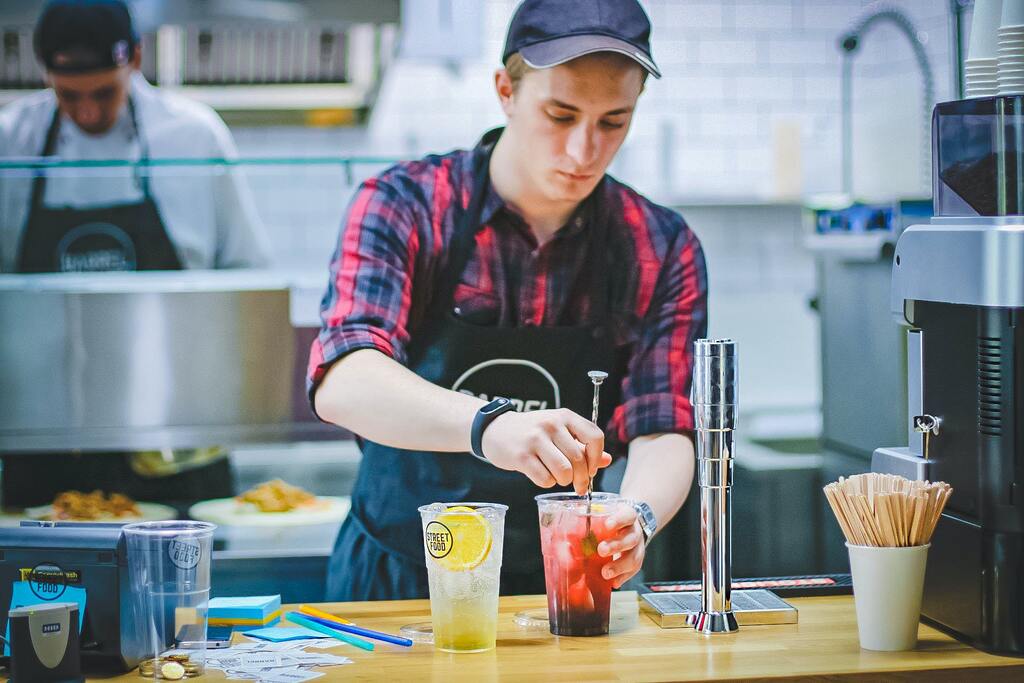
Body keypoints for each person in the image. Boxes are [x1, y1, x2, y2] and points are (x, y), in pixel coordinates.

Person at [309, 0, 708, 601]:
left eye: (613, 122)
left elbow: (664, 423)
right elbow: (343, 380)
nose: (583, 152)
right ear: (505, 90)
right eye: (560, 114)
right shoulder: (407, 204)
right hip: (393, 585)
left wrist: (640, 516)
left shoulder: (658, 244)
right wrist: (488, 427)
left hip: (565, 584)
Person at [0, 0, 270, 509]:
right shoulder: (11, 143)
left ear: (137, 60)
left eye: (105, 92)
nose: (87, 112)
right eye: (67, 96)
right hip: (46, 443)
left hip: (176, 440)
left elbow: (245, 277)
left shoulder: (192, 136)